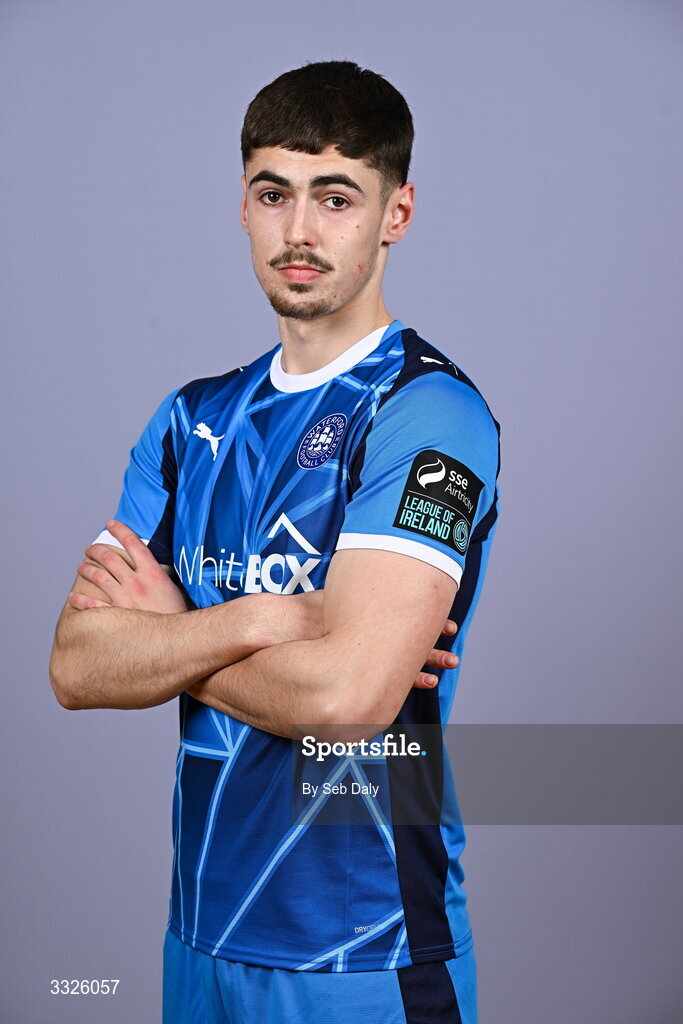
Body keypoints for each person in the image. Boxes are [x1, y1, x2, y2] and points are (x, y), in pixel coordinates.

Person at [49, 60, 500, 1024]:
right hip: (198, 937)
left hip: (360, 950)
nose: (299, 231)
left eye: (335, 198)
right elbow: (76, 666)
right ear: (243, 206)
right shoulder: (189, 420)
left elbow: (345, 703)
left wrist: (170, 637)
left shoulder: (427, 415)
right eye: (272, 194)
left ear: (395, 214)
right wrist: (263, 619)